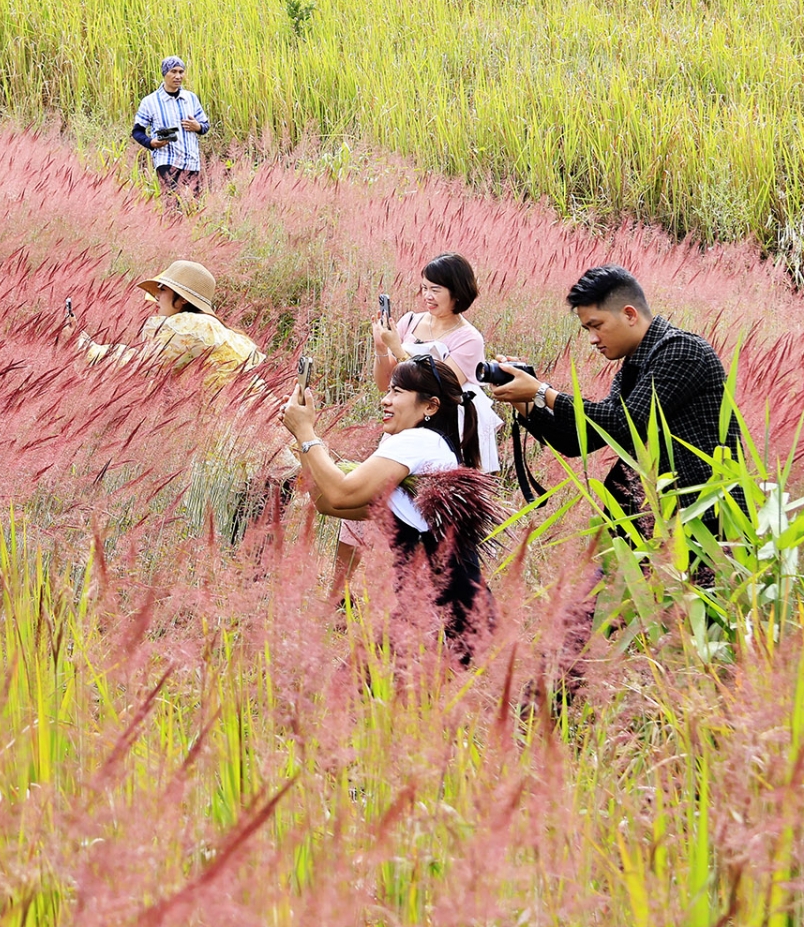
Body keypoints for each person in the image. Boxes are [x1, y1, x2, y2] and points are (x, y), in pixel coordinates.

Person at [279, 355, 499, 664]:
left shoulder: (419, 440)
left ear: (430, 407)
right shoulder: (431, 453)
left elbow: (342, 493)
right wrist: (302, 437)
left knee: (351, 700)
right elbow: (328, 503)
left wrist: (306, 434)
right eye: (389, 390)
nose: (386, 399)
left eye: (397, 392)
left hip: (441, 623)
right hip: (447, 619)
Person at [486, 266, 727, 521]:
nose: (592, 339)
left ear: (629, 314)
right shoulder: (633, 367)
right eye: (587, 329)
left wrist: (542, 391)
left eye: (596, 325)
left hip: (704, 522)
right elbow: (579, 440)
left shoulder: (682, 350)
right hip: (654, 522)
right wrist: (525, 401)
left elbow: (625, 422)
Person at [372, 252, 504, 474]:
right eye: (424, 288)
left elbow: (440, 386)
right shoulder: (410, 321)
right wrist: (381, 348)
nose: (427, 296)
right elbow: (384, 383)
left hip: (446, 427)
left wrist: (397, 348)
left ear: (457, 292)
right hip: (406, 418)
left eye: (435, 290)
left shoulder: (469, 339)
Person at [77, 260, 263, 389]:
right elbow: (150, 359)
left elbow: (142, 367)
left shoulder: (189, 326)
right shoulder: (210, 328)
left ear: (182, 298)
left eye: (163, 289)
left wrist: (82, 347)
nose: (157, 296)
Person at [132, 56, 210, 214]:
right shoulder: (150, 101)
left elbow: (205, 126)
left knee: (193, 209)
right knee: (173, 208)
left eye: (181, 72)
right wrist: (151, 143)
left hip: (191, 162)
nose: (178, 76)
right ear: (164, 73)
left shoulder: (190, 98)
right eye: (173, 72)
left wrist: (198, 127)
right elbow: (137, 131)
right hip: (166, 161)